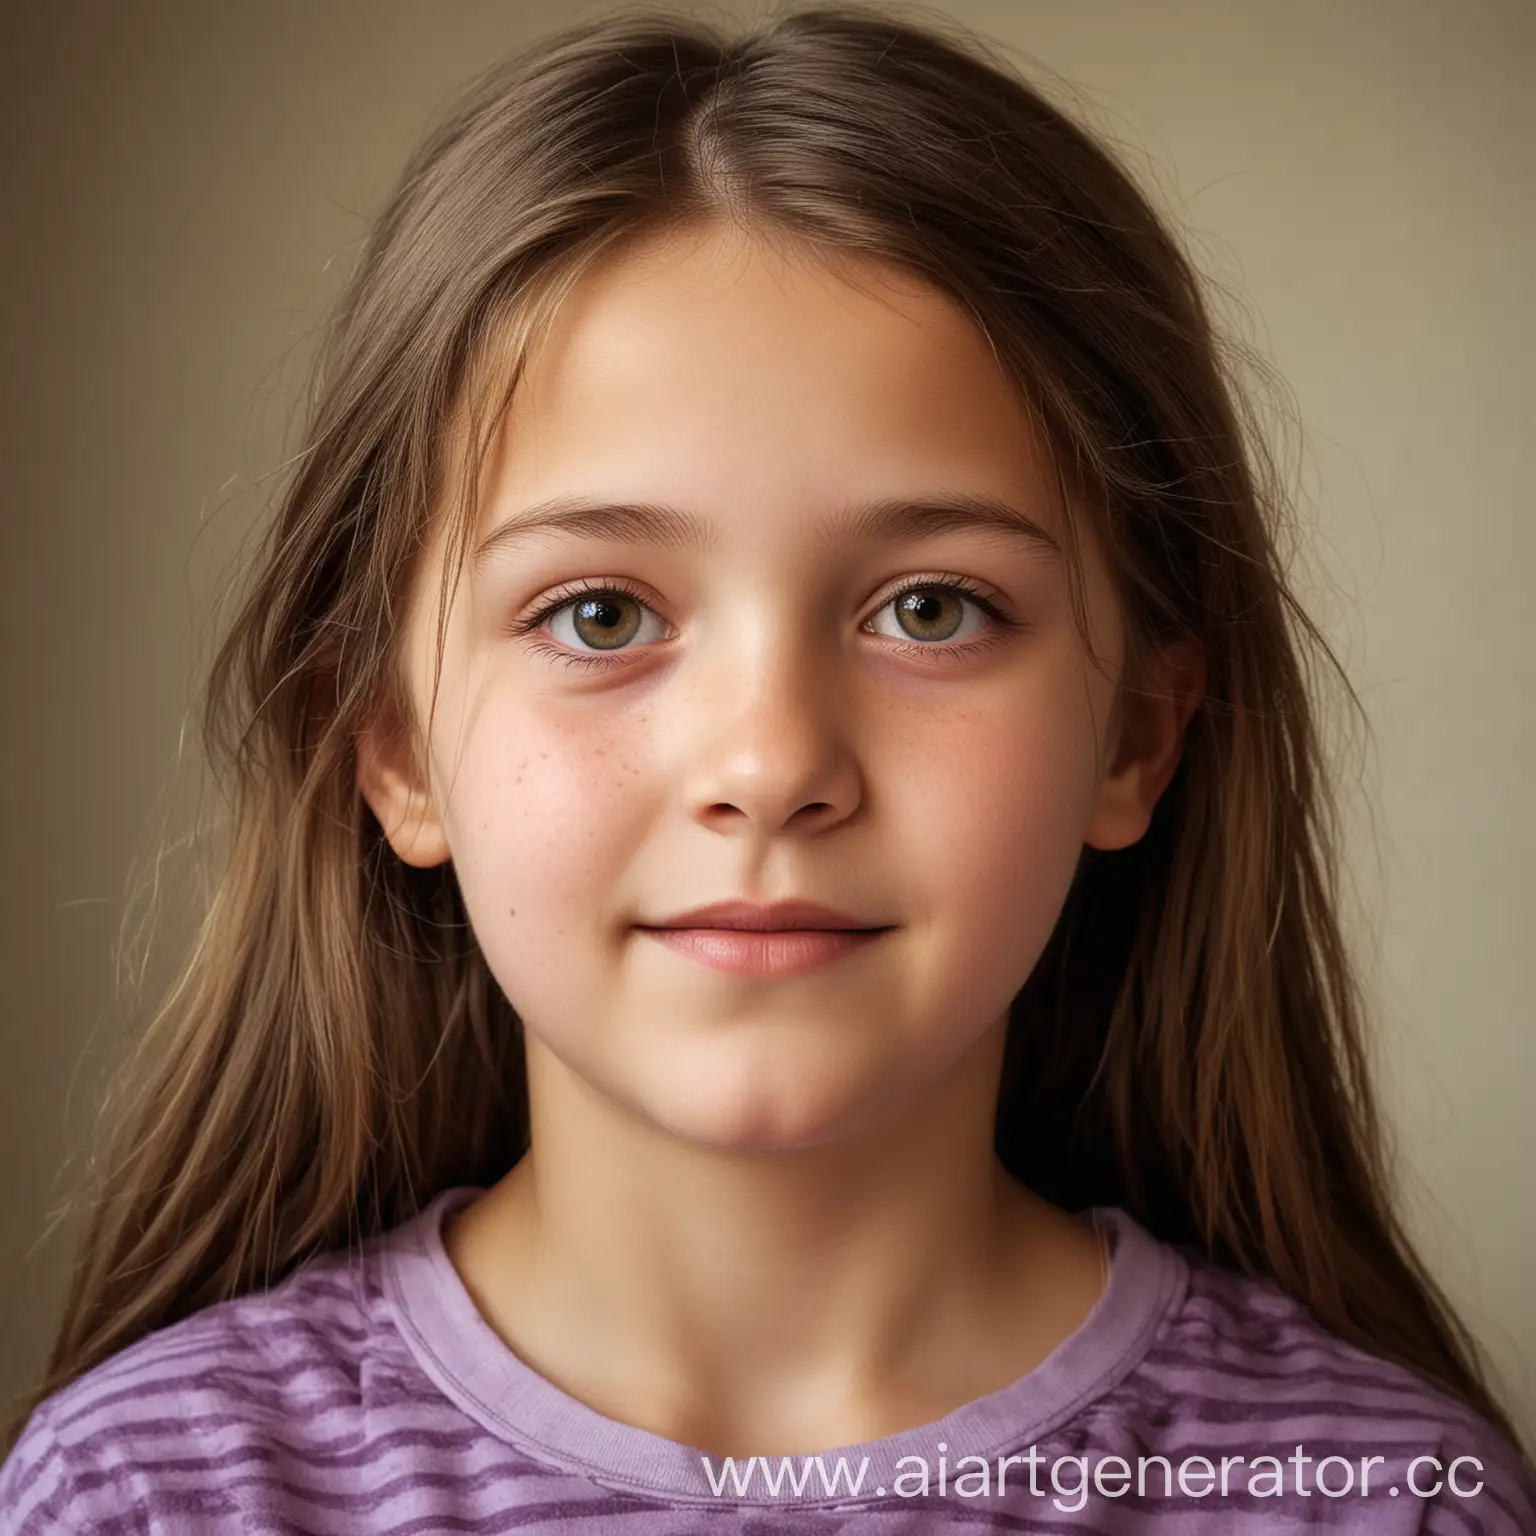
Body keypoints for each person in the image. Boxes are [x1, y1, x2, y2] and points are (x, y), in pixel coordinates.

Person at [3, 5, 1531, 1530]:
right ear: (394, 750)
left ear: (1136, 734)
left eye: (930, 609)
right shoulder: (144, 1497)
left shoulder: (1389, 1505)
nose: (771, 765)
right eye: (599, 613)